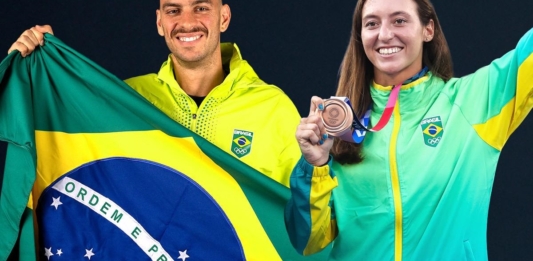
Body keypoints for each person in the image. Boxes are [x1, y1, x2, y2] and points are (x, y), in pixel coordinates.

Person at [284, 0, 533, 260]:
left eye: (399, 20)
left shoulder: (473, 102)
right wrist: (315, 165)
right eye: (371, 24)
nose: (384, 34)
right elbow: (307, 240)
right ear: (360, 35)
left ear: (428, 29)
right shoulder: (338, 126)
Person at [8, 0, 301, 187]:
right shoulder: (127, 100)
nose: (187, 22)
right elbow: (54, 134)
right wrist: (31, 72)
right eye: (174, 10)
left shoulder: (273, 108)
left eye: (201, 8)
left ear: (223, 17)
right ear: (160, 22)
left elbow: (310, 222)